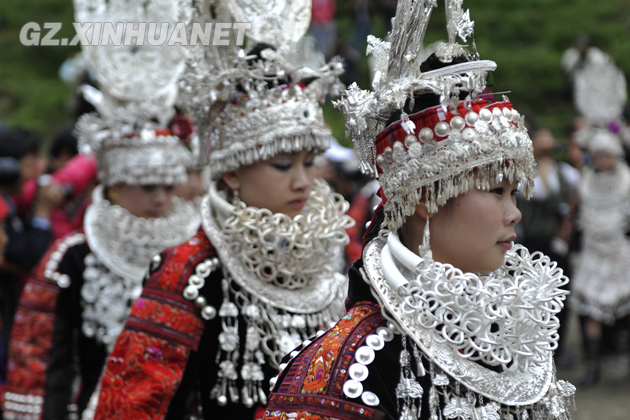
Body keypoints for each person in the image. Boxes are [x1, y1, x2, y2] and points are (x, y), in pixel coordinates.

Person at [264, 1, 575, 419]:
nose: (514, 212)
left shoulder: (517, 334)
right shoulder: (349, 367)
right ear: (428, 197)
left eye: (514, 194)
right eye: (496, 191)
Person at [93, 2, 352, 419]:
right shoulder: (190, 271)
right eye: (282, 165)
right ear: (231, 174)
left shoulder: (332, 259)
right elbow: (133, 405)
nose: (302, 181)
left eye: (309, 163)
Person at [1, 0, 200, 417]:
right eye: (145, 186)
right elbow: (41, 374)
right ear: (111, 183)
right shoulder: (71, 257)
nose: (160, 198)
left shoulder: (197, 255)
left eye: (167, 185)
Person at [569, 128, 630, 385]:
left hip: (619, 251)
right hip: (593, 251)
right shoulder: (585, 180)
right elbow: (575, 211)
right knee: (591, 309)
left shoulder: (627, 179)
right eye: (598, 155)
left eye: (608, 154)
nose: (603, 159)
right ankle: (593, 366)